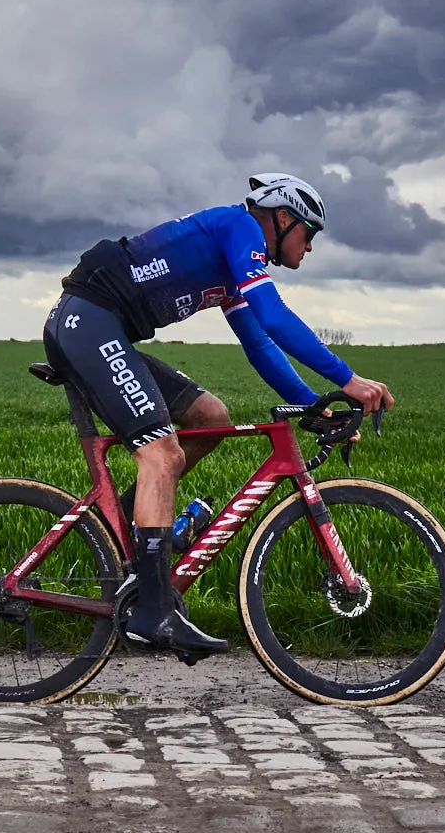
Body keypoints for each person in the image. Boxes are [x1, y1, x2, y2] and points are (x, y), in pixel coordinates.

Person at [42, 173, 395, 659]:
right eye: (309, 233)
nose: (309, 248)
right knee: (161, 456)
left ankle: (124, 526)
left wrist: (315, 406)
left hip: (101, 329)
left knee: (210, 416)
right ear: (284, 218)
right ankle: (153, 611)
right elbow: (273, 316)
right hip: (86, 322)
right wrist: (349, 378)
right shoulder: (240, 228)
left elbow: (259, 345)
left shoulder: (233, 266)